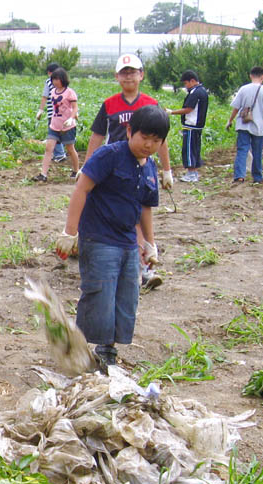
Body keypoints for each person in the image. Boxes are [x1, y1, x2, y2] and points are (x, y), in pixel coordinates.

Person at [56, 105, 169, 366]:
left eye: (156, 140)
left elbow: (145, 208)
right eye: (144, 137)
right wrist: (69, 232)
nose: (149, 145)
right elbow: (81, 188)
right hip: (99, 238)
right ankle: (79, 348)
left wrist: (149, 243)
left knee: (126, 297)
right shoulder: (109, 155)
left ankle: (107, 350)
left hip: (128, 242)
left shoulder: (150, 168)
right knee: (99, 294)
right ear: (129, 131)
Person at [85, 54, 174, 191]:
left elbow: (161, 139)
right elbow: (97, 136)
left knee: (141, 203)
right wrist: (86, 167)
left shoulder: (151, 104)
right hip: (113, 163)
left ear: (141, 75)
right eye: (123, 73)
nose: (128, 77)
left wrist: (167, 170)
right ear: (117, 76)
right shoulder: (109, 104)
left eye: (132, 72)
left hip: (142, 163)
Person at [226, 66, 263, 185]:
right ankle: (257, 176)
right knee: (257, 151)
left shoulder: (243, 89)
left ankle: (239, 176)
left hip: (243, 124)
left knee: (242, 149)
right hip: (259, 126)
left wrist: (230, 120)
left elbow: (236, 107)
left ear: (251, 76)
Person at [32, 67, 79, 182]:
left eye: (56, 79)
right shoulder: (53, 92)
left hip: (67, 126)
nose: (54, 82)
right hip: (54, 125)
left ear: (62, 79)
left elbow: (75, 107)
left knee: (70, 149)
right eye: (53, 80)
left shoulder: (70, 92)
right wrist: (41, 111)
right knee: (49, 148)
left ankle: (76, 171)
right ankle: (43, 174)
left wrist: (72, 118)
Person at [166, 70, 209, 183]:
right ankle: (193, 172)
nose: (186, 86)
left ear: (192, 81)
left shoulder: (195, 93)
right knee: (194, 149)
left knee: (189, 150)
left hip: (192, 126)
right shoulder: (202, 91)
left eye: (186, 83)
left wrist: (172, 112)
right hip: (197, 126)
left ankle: (192, 173)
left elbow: (189, 109)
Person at [37, 62, 67, 163]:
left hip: (53, 114)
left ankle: (60, 154)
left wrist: (40, 110)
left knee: (53, 134)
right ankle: (60, 153)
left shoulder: (48, 81)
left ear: (49, 72)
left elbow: (44, 96)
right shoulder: (63, 83)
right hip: (63, 114)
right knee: (60, 133)